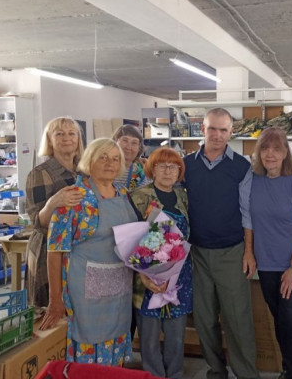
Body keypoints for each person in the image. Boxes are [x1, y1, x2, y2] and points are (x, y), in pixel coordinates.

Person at [41, 138, 139, 366]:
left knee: (115, 348)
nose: (110, 163)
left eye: (115, 159)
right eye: (102, 157)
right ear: (89, 161)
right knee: (88, 353)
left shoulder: (122, 193)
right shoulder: (73, 197)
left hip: (119, 288)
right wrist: (55, 300)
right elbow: (55, 250)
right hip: (84, 291)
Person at [183, 108, 260, 379]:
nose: (217, 135)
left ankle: (246, 374)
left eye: (223, 130)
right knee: (204, 320)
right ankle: (216, 371)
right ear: (202, 129)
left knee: (237, 319)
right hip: (196, 253)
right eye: (212, 129)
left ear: (231, 133)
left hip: (232, 252)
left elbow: (247, 212)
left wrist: (248, 251)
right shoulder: (186, 165)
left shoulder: (241, 167)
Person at [249, 127, 292, 379]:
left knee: (291, 318)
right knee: (279, 317)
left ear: (286, 152)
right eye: (265, 149)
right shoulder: (252, 180)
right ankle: (288, 368)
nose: (270, 154)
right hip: (267, 263)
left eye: (276, 149)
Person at [130, 147, 192, 379]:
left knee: (176, 333)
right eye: (161, 166)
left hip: (179, 275)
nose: (167, 171)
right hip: (145, 274)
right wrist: (145, 273)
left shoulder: (183, 196)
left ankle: (175, 374)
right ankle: (153, 375)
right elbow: (131, 236)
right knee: (149, 334)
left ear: (179, 171)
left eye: (173, 167)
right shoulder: (139, 196)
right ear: (152, 169)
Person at [24, 116, 84, 308]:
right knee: (50, 311)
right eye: (59, 134)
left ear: (78, 139)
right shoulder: (40, 174)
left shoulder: (83, 171)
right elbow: (37, 222)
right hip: (48, 251)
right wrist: (52, 203)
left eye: (71, 133)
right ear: (50, 140)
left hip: (75, 249)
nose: (67, 138)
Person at [112, 124, 148, 190]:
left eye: (134, 143)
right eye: (125, 141)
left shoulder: (139, 173)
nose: (128, 147)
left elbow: (144, 196)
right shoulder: (105, 168)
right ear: (115, 142)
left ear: (139, 148)